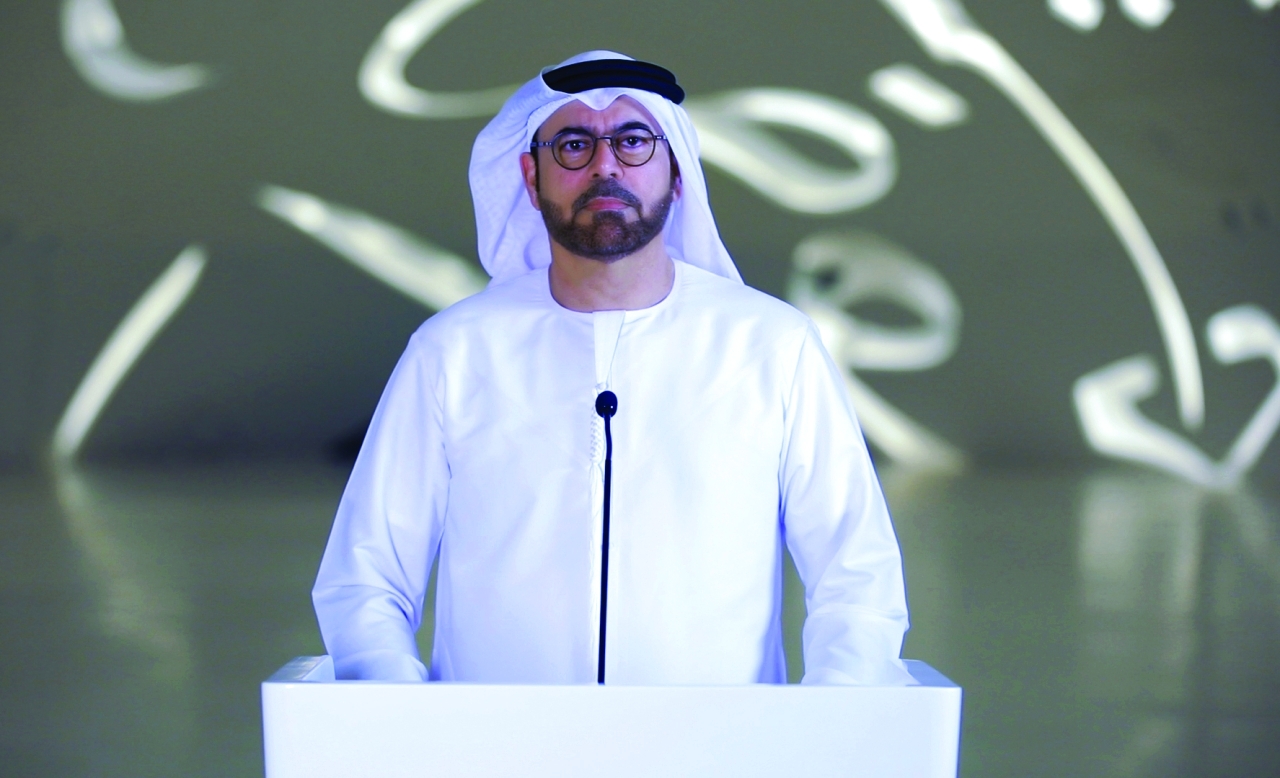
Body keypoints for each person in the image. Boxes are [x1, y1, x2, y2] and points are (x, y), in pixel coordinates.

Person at [312, 51, 912, 686]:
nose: (605, 166)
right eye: (574, 145)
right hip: (499, 739)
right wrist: (407, 715)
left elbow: (856, 577)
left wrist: (830, 715)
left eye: (632, 141)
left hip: (720, 738)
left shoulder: (772, 346)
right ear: (530, 176)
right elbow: (366, 579)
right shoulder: (453, 352)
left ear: (676, 172)